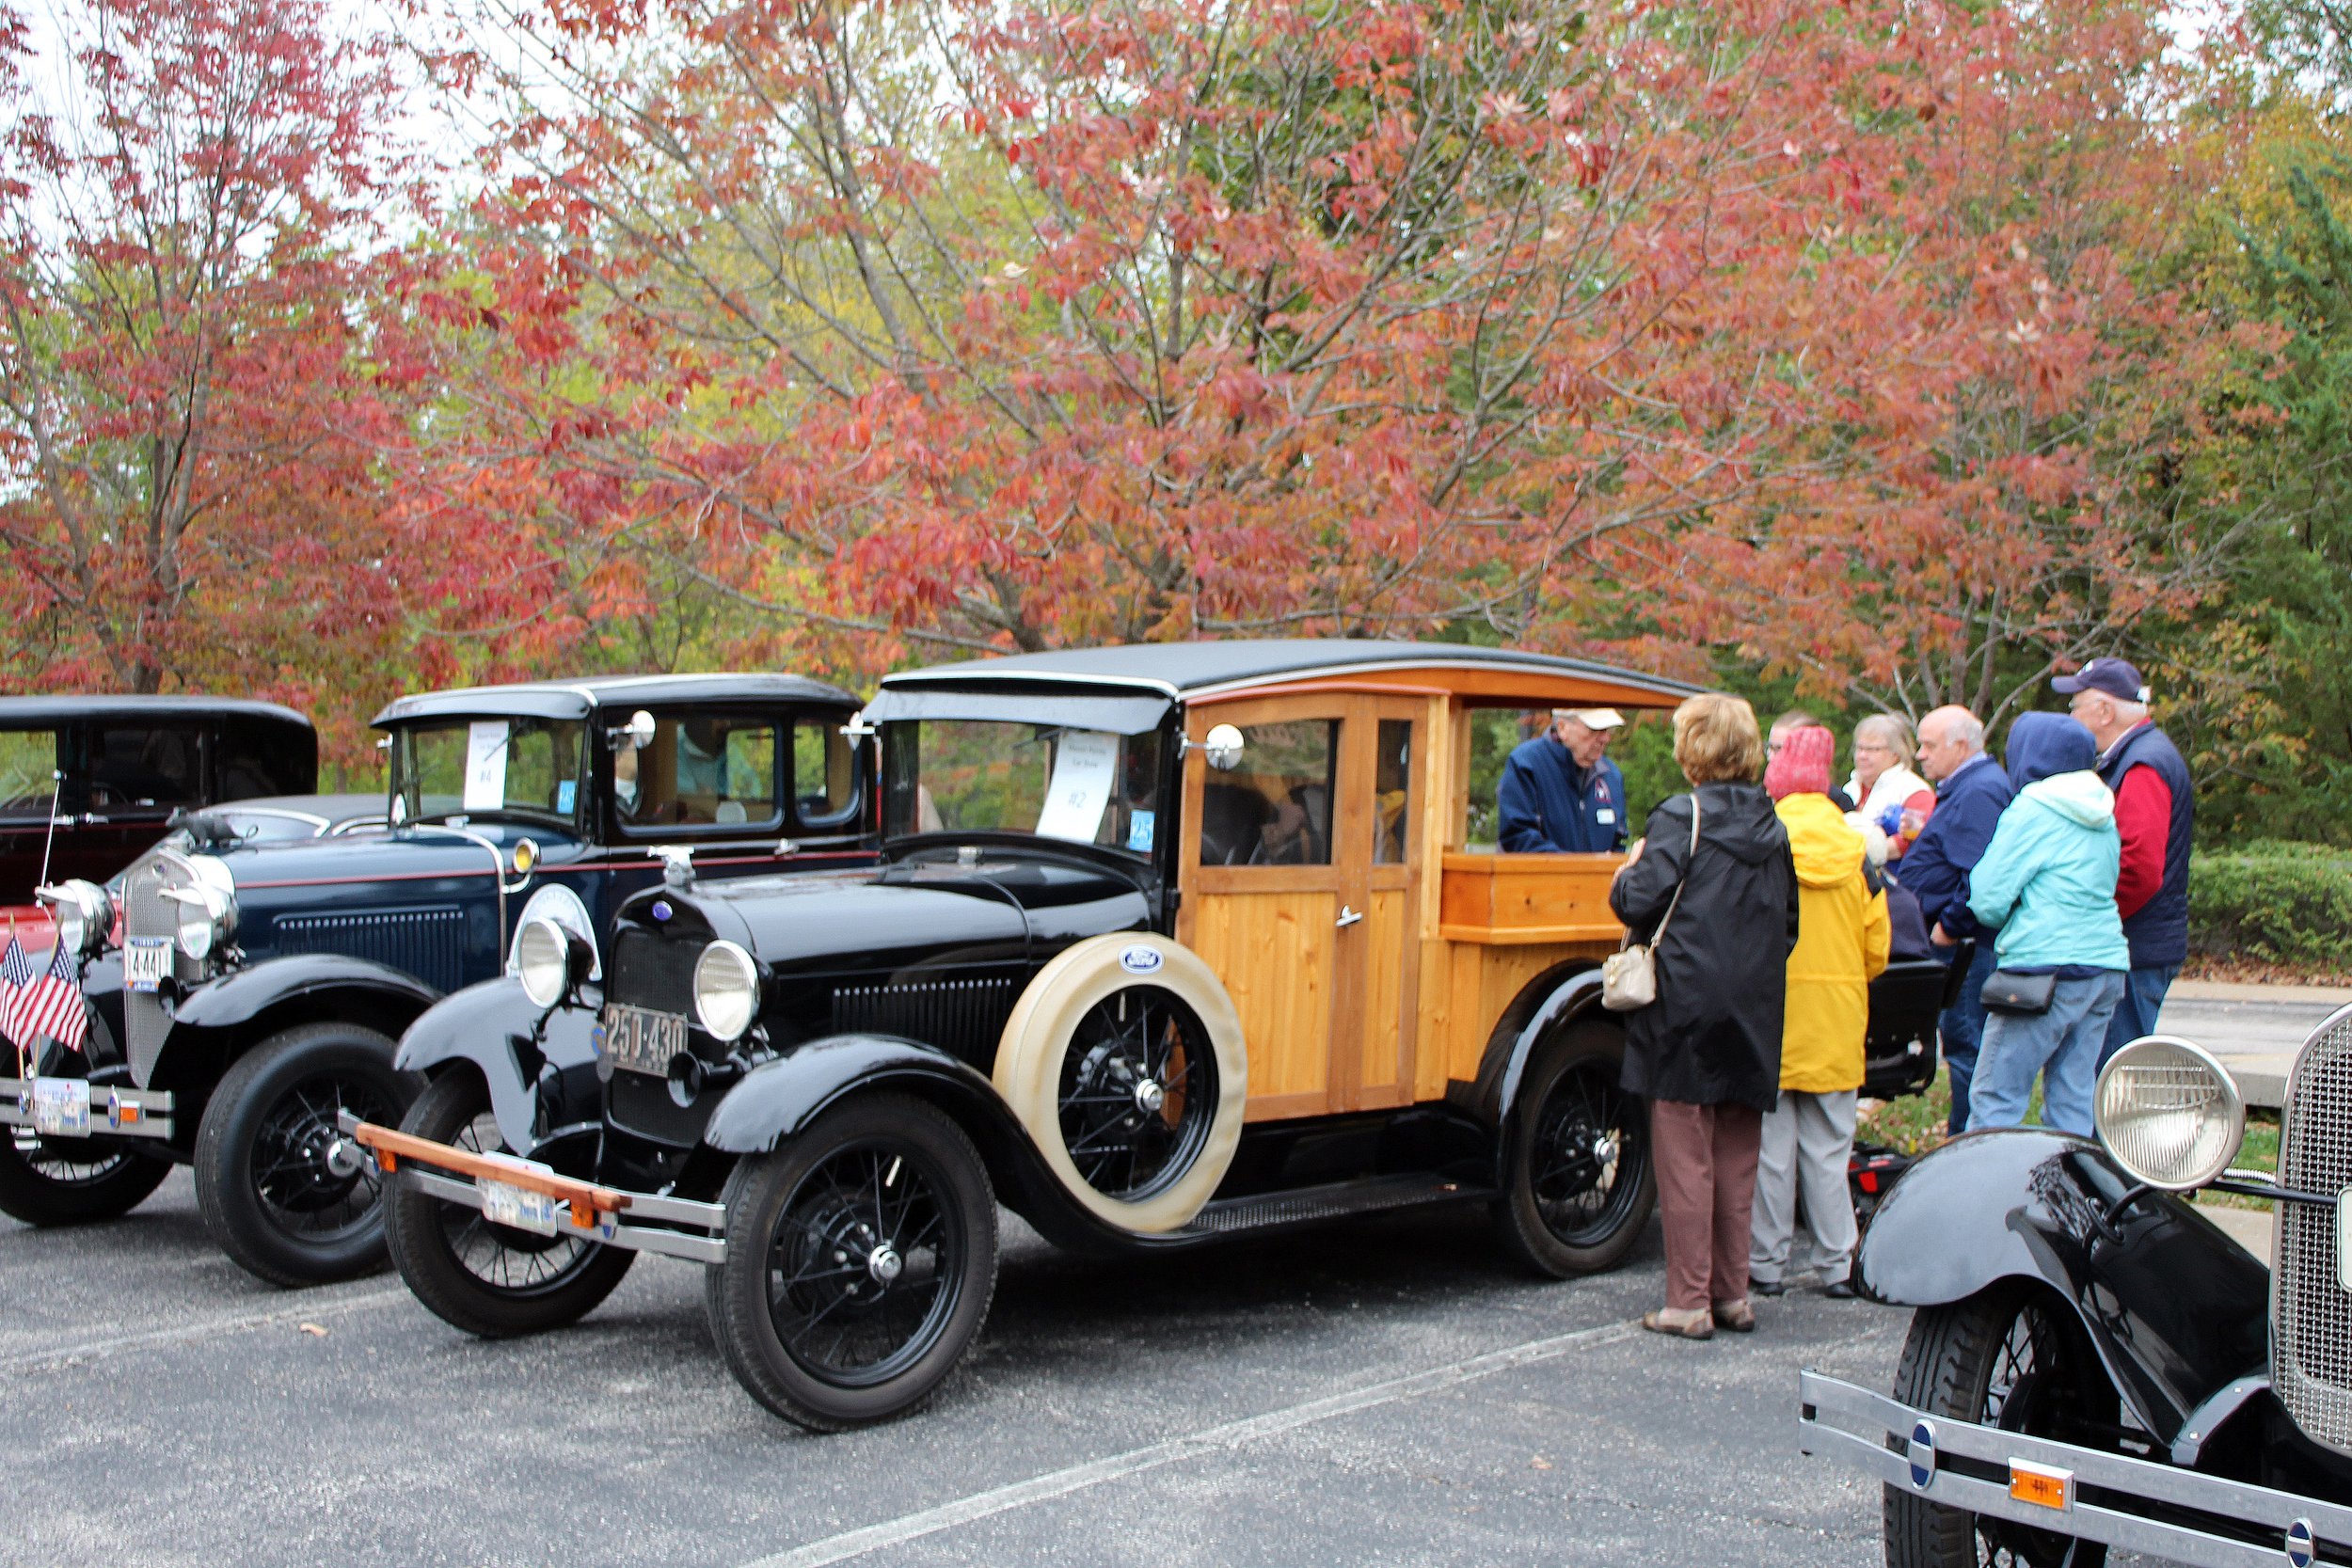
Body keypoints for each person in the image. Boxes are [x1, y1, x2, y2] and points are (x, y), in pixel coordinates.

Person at [1609, 693, 1798, 1339]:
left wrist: (1625, 871)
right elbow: (1789, 926)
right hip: (1755, 1005)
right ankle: (1731, 1293)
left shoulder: (1678, 816)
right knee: (1737, 1153)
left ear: (1693, 750)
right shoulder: (1774, 826)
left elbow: (1639, 898)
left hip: (1685, 1004)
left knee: (1685, 1151)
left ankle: (1687, 1300)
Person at [1748, 725, 1889, 1302]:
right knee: (1830, 1150)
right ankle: (1837, 1264)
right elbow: (1877, 951)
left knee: (1770, 1154)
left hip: (1774, 1017)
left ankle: (1766, 1264)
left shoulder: (1762, 845)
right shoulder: (1859, 855)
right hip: (1835, 1020)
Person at [1961, 713, 2129, 1136]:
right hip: (2105, 966)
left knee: (1997, 1098)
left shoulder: (2034, 805)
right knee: (2072, 1099)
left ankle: (1987, 1196)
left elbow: (1987, 896)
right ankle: (2070, 1193)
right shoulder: (2103, 807)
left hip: (2042, 971)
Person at [2052, 658, 2195, 1067]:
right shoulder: (2137, 756)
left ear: (2105, 711)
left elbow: (2138, 869)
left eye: (2075, 706)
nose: (2072, 717)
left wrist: (2091, 921)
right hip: (2136, 943)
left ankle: (2105, 1136)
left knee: (2111, 1078)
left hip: (2133, 946)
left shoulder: (2143, 764)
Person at [1891, 705, 2013, 1135]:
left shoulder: (1978, 791)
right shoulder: (1966, 786)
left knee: (1967, 1046)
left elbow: (1980, 876)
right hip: (1958, 941)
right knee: (1962, 1044)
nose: (1920, 754)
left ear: (1961, 746)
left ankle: (1967, 1141)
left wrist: (1947, 930)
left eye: (1928, 745)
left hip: (1966, 947)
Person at [1498, 707, 1629, 853]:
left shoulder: (1611, 775)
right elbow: (1518, 839)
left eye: (1606, 730)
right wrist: (1580, 870)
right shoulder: (1526, 764)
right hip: (1540, 875)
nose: (1605, 739)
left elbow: (1619, 841)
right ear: (1562, 727)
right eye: (1594, 730)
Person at [1846, 714, 1935, 861]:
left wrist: (1853, 855)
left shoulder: (1915, 791)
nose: (1862, 755)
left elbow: (1910, 841)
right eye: (1860, 748)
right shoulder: (1850, 788)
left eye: (1872, 749)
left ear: (1895, 754)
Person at [1769, 710, 1853, 811]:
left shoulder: (1836, 801)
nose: (1771, 757)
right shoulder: (1759, 798)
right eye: (1770, 747)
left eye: (1781, 749)